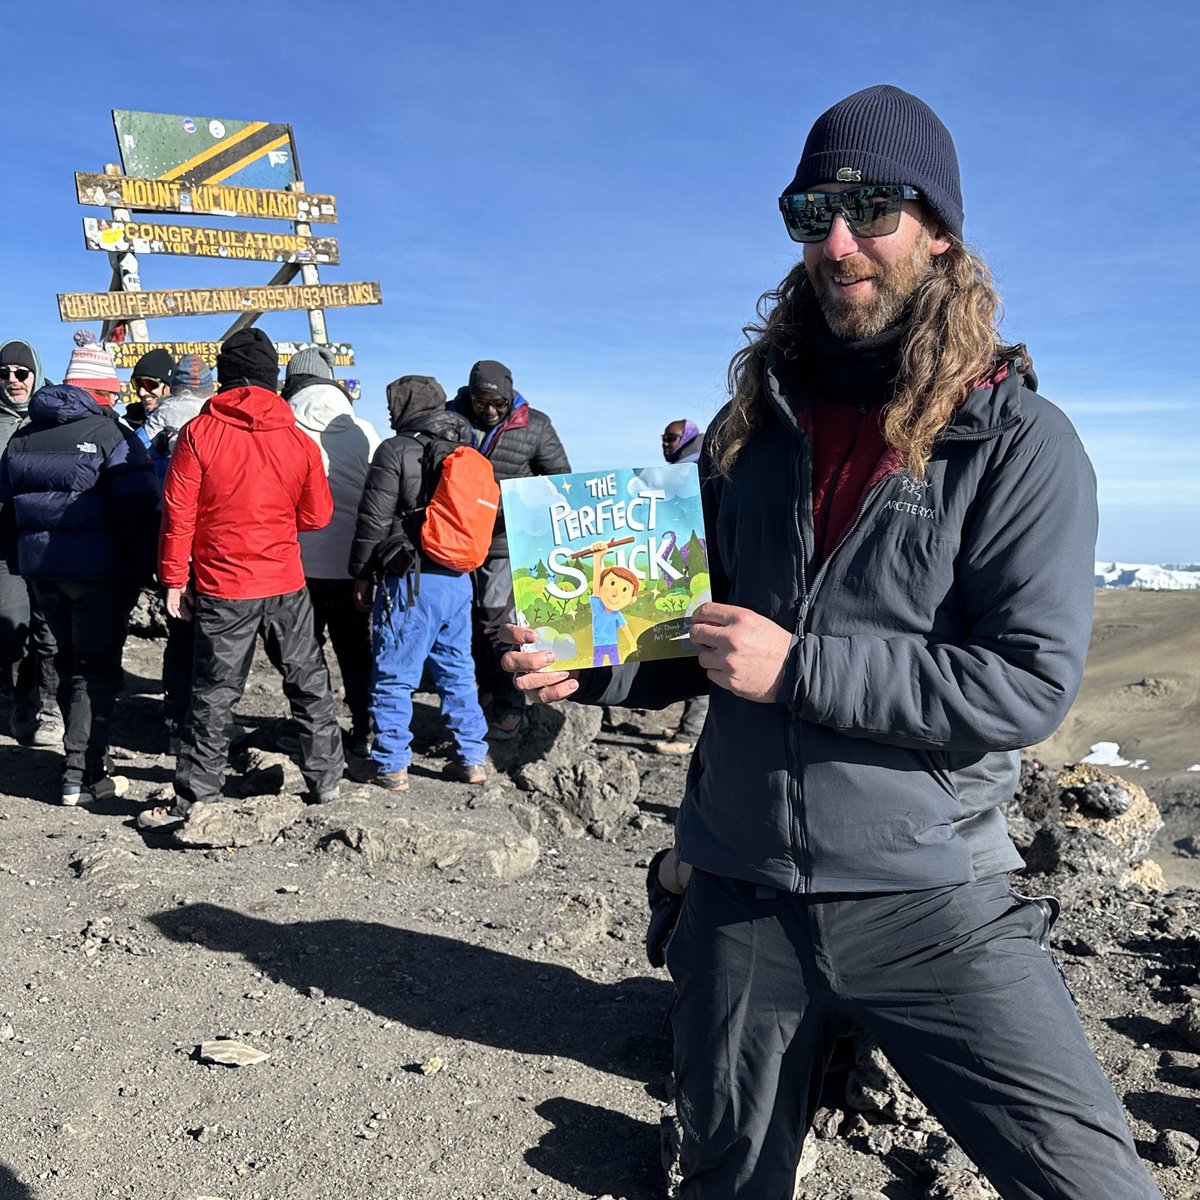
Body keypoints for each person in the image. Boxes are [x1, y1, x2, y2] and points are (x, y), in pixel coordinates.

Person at [502, 85, 1165, 1199]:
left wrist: (799, 667)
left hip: (934, 894)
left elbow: (1027, 684)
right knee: (724, 1179)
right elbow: (695, 630)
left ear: (939, 228)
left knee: (1093, 1183)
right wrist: (598, 662)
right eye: (813, 213)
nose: (839, 242)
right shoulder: (748, 428)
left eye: (871, 209)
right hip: (739, 883)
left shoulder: (1017, 444)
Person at [138, 328, 344, 831]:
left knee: (214, 690)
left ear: (224, 376)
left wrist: (172, 579)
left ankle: (199, 794)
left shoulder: (199, 433)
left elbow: (177, 514)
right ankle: (327, 779)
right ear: (273, 378)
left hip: (222, 583)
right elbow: (317, 516)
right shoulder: (295, 436)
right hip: (285, 580)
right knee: (308, 679)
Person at [0, 347, 159, 805]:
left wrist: (22, 561)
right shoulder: (112, 434)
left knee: (68, 662)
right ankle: (82, 774)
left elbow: (6, 508)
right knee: (97, 671)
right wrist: (143, 570)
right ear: (101, 390)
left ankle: (85, 761)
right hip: (99, 574)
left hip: (43, 572)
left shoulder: (24, 435)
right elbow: (139, 509)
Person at [349, 375, 489, 791]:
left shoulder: (395, 450)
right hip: (459, 579)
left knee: (394, 672)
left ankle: (391, 763)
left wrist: (361, 573)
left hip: (410, 581)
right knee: (458, 669)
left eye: (393, 405)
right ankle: (472, 758)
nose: (390, 412)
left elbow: (373, 519)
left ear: (406, 406)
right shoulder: (467, 451)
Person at [448, 359, 570, 738]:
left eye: (497, 404)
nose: (489, 411)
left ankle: (509, 705)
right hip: (455, 538)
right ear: (469, 396)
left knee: (496, 622)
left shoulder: (536, 426)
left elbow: (559, 480)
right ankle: (480, 695)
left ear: (510, 396)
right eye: (481, 402)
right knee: (461, 622)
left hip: (504, 541)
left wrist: (517, 508)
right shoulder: (451, 420)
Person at [284, 346, 381, 759]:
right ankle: (365, 730)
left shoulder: (282, 430)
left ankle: (317, 737)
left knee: (303, 655)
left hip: (296, 565)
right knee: (356, 653)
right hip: (351, 564)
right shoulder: (364, 432)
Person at [140, 353, 215, 746]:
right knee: (215, 639)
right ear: (210, 386)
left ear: (173, 384)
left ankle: (175, 719)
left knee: (180, 632)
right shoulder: (217, 421)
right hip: (213, 542)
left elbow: (130, 459)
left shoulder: (159, 419)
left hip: (168, 535)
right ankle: (206, 726)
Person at [0, 338, 63, 746]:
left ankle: (46, 705)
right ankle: (14, 703)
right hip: (4, 544)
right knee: (9, 624)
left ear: (35, 374)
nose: (13, 380)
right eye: (3, 374)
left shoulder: (52, 419)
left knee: (49, 627)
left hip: (46, 541)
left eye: (21, 373)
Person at [656, 418, 708, 754]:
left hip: (696, 571)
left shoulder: (691, 469)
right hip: (693, 569)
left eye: (671, 437)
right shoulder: (699, 462)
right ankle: (690, 728)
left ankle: (691, 733)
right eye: (663, 437)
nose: (665, 443)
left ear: (686, 438)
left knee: (699, 648)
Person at [125, 347, 175, 430]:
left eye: (150, 384)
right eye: (137, 384)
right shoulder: (128, 428)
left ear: (168, 386)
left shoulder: (189, 424)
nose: (142, 392)